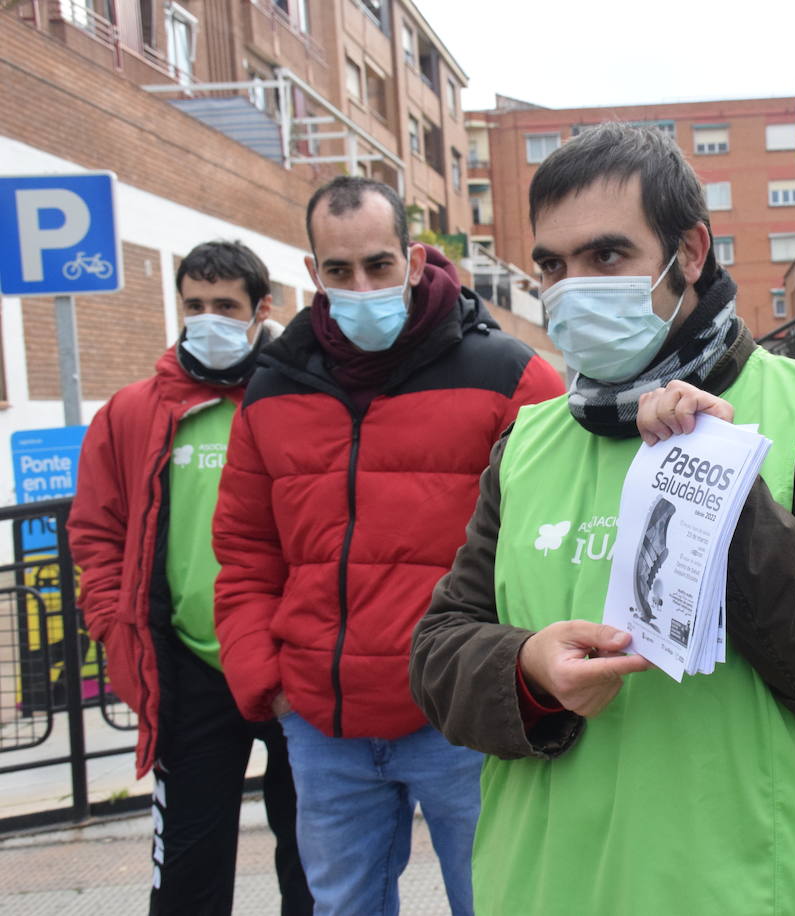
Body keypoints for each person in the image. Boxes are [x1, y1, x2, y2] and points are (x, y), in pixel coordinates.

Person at [409, 123, 795, 915]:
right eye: (552, 265)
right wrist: (526, 670)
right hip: (548, 893)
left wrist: (721, 482)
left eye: (607, 257)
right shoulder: (526, 443)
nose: (572, 289)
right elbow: (438, 653)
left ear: (691, 253)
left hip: (752, 895)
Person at [211, 176, 565, 916]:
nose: (361, 285)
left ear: (411, 258)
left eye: (378, 265)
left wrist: (517, 678)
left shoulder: (509, 377)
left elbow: (556, 539)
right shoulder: (271, 393)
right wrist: (267, 682)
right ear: (312, 274)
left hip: (461, 717)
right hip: (323, 722)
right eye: (338, 271)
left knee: (500, 902)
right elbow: (244, 555)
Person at [68, 240, 312, 915]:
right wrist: (112, 626)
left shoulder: (296, 395)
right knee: (186, 877)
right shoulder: (131, 412)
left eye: (226, 306)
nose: (209, 318)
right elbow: (96, 531)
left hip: (291, 663)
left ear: (262, 308)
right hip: (188, 672)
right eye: (195, 305)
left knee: (315, 868)